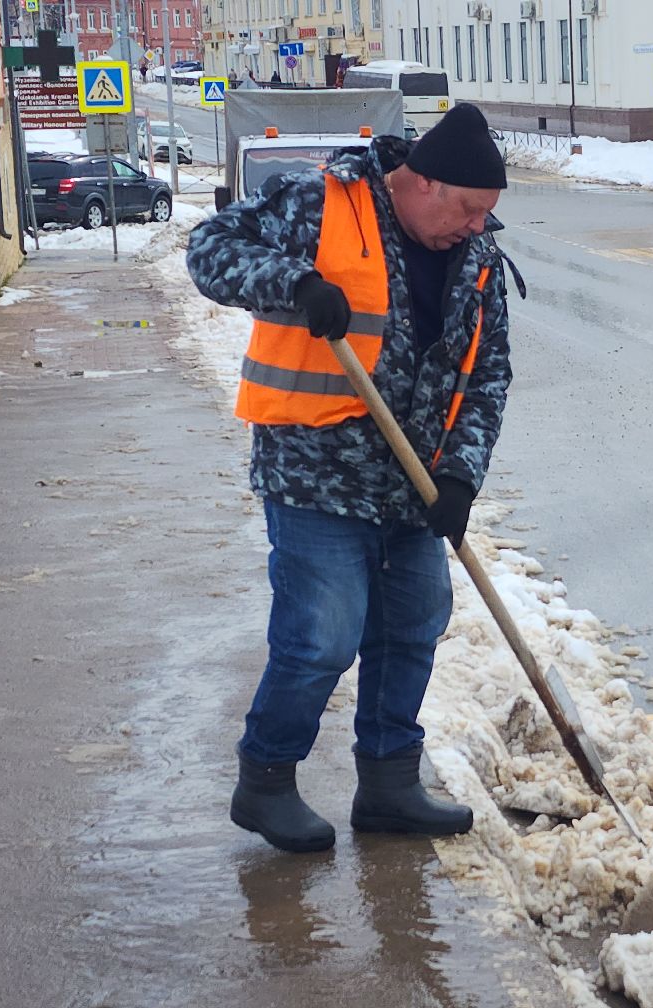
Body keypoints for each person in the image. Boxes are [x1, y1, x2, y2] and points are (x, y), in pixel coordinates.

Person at [185, 104, 515, 852]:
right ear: (420, 181)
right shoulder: (319, 203)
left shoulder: (479, 259)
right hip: (314, 472)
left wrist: (461, 475)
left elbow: (488, 374)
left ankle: (389, 784)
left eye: (486, 214)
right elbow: (209, 249)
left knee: (411, 630)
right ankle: (265, 781)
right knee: (321, 638)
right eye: (467, 209)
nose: (475, 226)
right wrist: (293, 284)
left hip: (415, 484)